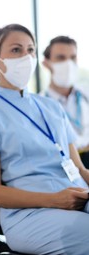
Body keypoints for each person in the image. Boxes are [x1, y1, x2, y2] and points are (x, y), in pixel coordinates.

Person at [0, 23, 89, 255]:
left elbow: (79, 169)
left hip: (78, 198)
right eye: (16, 50)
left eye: (30, 49)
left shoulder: (51, 107)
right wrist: (55, 200)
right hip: (29, 215)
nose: (26, 56)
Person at [42, 36, 89, 168]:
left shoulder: (86, 93)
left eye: (72, 57)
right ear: (46, 63)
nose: (68, 63)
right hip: (64, 164)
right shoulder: (40, 104)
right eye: (61, 58)